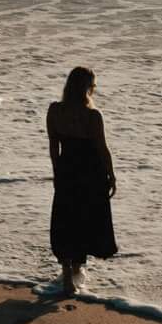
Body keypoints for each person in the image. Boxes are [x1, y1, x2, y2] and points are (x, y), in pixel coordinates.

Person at [45, 65, 117, 299]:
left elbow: (53, 147)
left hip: (67, 169)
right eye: (93, 86)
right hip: (90, 172)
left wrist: (57, 173)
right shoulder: (93, 115)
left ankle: (68, 272)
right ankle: (77, 270)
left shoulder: (55, 111)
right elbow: (102, 149)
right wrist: (111, 174)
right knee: (83, 220)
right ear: (87, 88)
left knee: (65, 218)